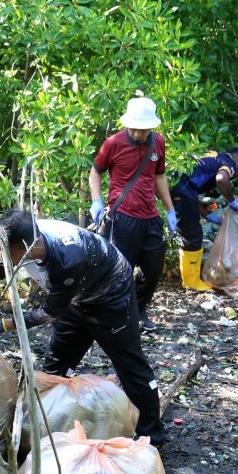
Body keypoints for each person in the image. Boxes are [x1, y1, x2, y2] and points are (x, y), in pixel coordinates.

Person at [0, 210, 166, 445]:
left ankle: (151, 434)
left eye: (2, 249)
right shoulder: (24, 238)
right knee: (56, 366)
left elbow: (49, 313)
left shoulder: (67, 259)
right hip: (75, 297)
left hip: (110, 297)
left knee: (129, 365)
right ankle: (52, 428)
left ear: (26, 246)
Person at [87, 97, 176, 331]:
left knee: (153, 269)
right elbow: (95, 172)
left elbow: (159, 176)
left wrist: (170, 210)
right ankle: (116, 316)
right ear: (128, 124)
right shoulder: (113, 143)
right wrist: (96, 201)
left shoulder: (158, 142)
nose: (139, 134)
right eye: (136, 129)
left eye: (144, 129)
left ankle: (139, 310)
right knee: (119, 271)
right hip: (121, 216)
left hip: (150, 216)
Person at [171, 147, 238, 290]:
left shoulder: (213, 156)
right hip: (180, 189)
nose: (237, 173)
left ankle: (189, 279)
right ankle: (191, 282)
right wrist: (232, 200)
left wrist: (207, 215)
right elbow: (221, 179)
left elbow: (191, 190)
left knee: (187, 231)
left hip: (174, 184)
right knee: (193, 235)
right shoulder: (229, 161)